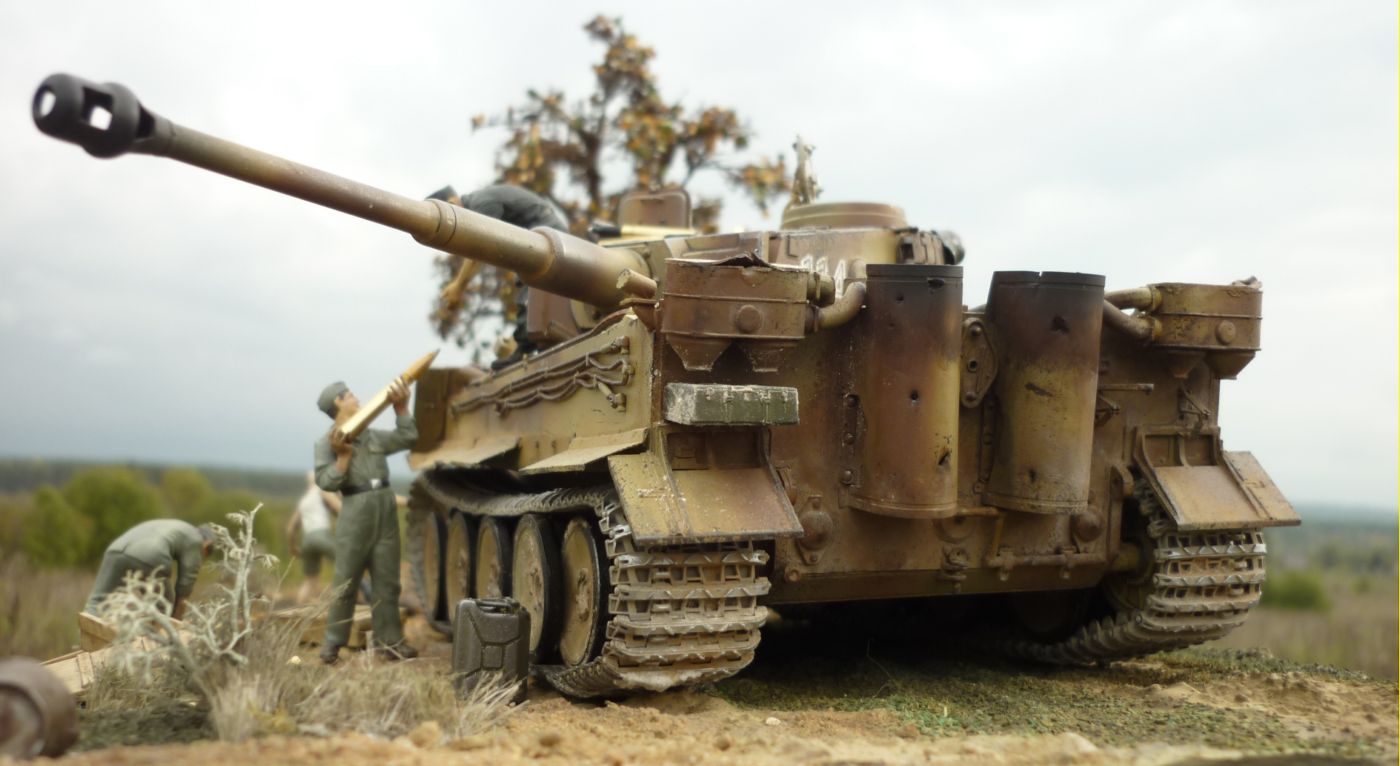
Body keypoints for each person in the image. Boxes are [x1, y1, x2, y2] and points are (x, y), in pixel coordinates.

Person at [313, 379, 418, 663]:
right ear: (337, 402)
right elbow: (325, 481)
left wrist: (402, 408)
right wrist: (343, 458)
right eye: (349, 395)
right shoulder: (325, 443)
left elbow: (407, 438)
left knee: (387, 581)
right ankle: (332, 643)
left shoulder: (371, 436)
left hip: (384, 507)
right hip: (355, 510)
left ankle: (390, 642)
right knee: (345, 581)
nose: (356, 398)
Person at [83, 519, 215, 618]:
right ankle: (157, 644)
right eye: (204, 555)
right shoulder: (196, 540)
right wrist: (176, 620)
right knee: (163, 608)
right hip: (149, 554)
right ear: (207, 543)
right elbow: (186, 583)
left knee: (97, 602)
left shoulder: (175, 525)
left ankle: (85, 637)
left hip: (115, 550)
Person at [286, 470, 344, 605]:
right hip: (322, 536)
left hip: (307, 541)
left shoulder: (303, 501)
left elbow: (290, 529)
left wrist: (293, 548)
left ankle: (297, 610)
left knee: (310, 580)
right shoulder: (323, 491)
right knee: (346, 565)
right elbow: (341, 509)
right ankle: (339, 601)